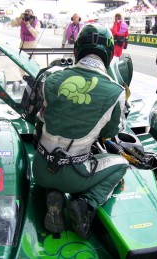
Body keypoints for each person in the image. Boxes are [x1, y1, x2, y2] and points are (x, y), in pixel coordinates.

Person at [32, 23, 128, 240]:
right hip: (74, 174)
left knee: (51, 167)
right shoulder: (116, 91)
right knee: (122, 164)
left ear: (76, 51)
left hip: (39, 168)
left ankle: (53, 195)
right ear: (109, 54)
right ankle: (86, 204)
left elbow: (38, 124)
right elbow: (110, 132)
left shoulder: (50, 79)